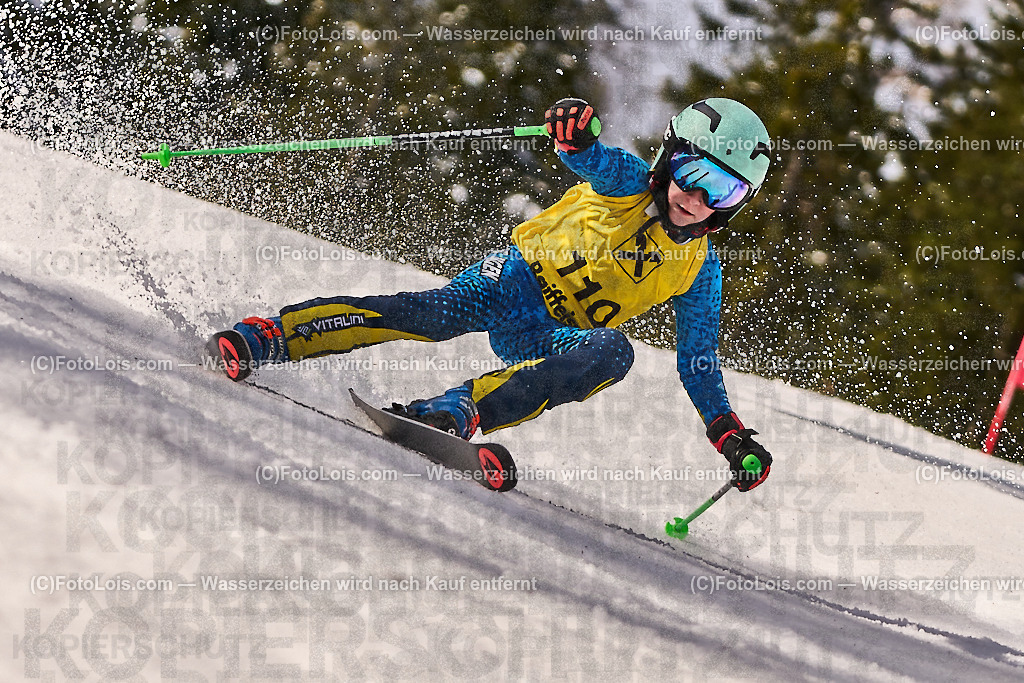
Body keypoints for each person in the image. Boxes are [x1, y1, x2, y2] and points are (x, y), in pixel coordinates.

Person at [213, 97, 773, 491]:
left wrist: (729, 435)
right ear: (669, 158)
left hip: (543, 333)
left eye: (725, 189)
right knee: (431, 316)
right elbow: (589, 157)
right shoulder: (628, 182)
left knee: (614, 352)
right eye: (694, 171)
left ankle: (455, 409)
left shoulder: (699, 271)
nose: (700, 198)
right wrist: (574, 131)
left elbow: (698, 362)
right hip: (508, 281)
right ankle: (272, 336)